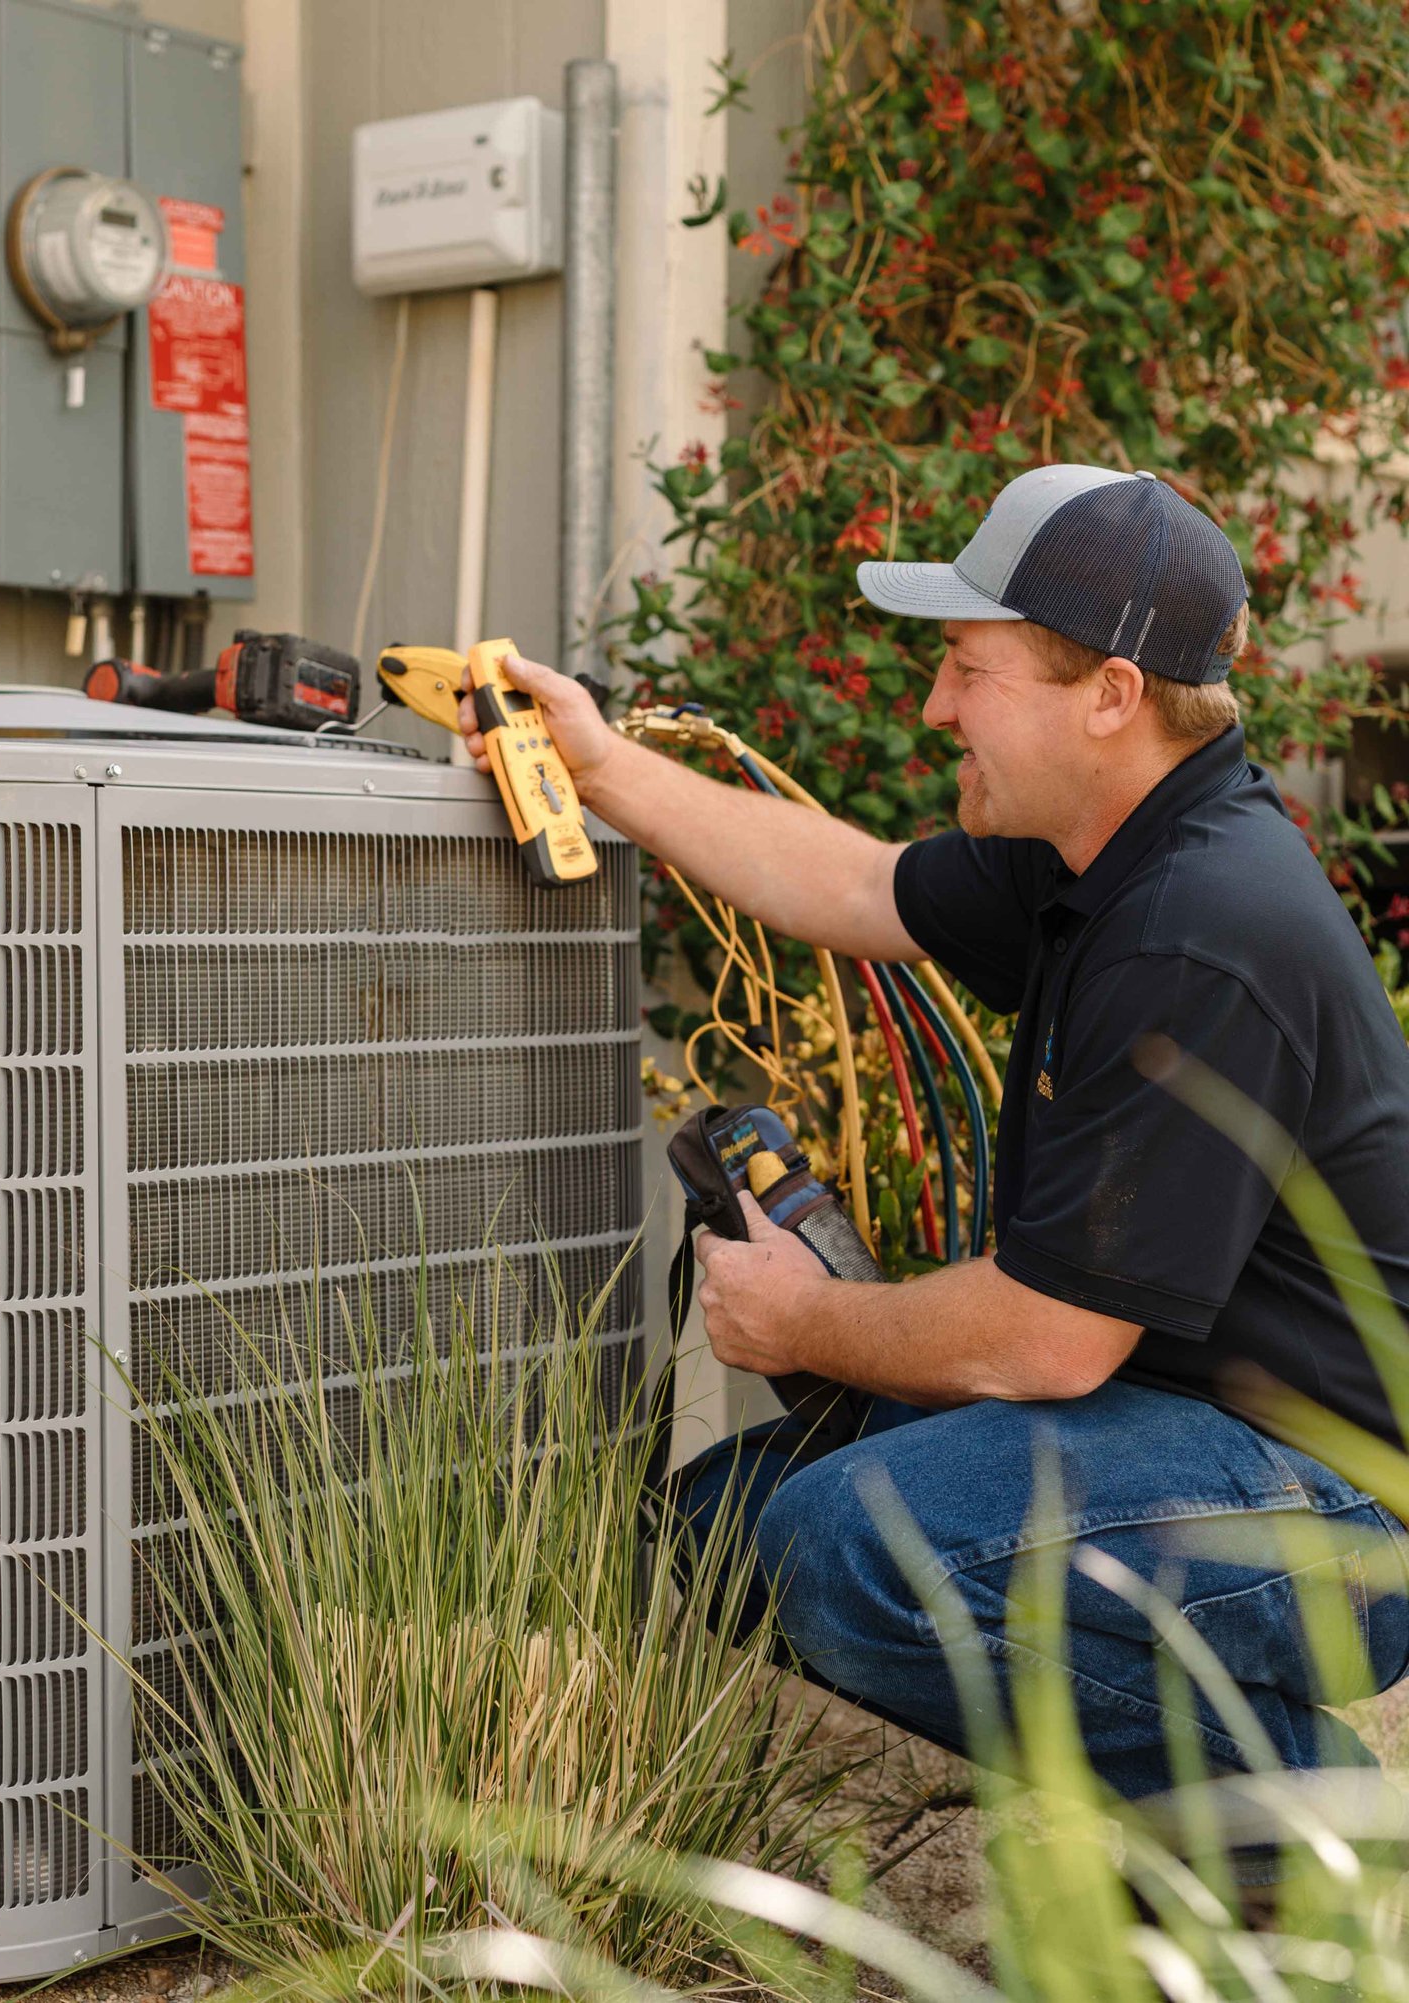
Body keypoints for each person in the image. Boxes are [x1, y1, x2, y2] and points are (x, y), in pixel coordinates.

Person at [457, 463, 1409, 1839]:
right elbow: (850, 883)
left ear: (1111, 695)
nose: (933, 704)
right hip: (1173, 1424)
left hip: (1332, 1514)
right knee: (724, 1537)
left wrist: (810, 1316)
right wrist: (602, 768)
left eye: (970, 666)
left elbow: (1047, 1346)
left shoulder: (1201, 927)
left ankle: (1285, 1828)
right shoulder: (1103, 852)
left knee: (846, 1553)